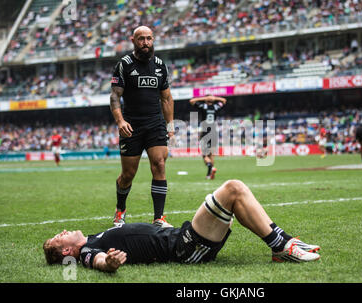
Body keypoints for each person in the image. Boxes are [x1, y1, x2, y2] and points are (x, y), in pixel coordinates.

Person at [43, 180, 321, 272]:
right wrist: (110, 263)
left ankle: (281, 244)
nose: (64, 231)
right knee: (233, 189)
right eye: (60, 237)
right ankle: (282, 245)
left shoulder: (93, 237)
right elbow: (99, 261)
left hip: (180, 238)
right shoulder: (87, 251)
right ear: (67, 251)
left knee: (234, 201)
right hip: (184, 248)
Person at [110, 26, 175, 227]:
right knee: (128, 175)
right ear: (133, 40)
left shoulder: (160, 65)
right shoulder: (124, 65)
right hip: (132, 125)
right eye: (141, 39)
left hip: (155, 123)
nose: (145, 43)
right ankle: (120, 210)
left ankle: (159, 218)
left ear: (153, 39)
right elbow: (115, 97)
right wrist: (120, 121)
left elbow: (166, 98)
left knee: (159, 164)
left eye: (148, 39)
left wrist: (170, 125)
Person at [189, 95, 227, 179]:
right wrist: (214, 98)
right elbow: (224, 100)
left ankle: (209, 165)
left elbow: (191, 101)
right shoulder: (216, 107)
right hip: (214, 132)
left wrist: (203, 98)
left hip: (205, 132)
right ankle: (210, 174)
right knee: (211, 155)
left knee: (205, 155)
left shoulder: (203, 106)